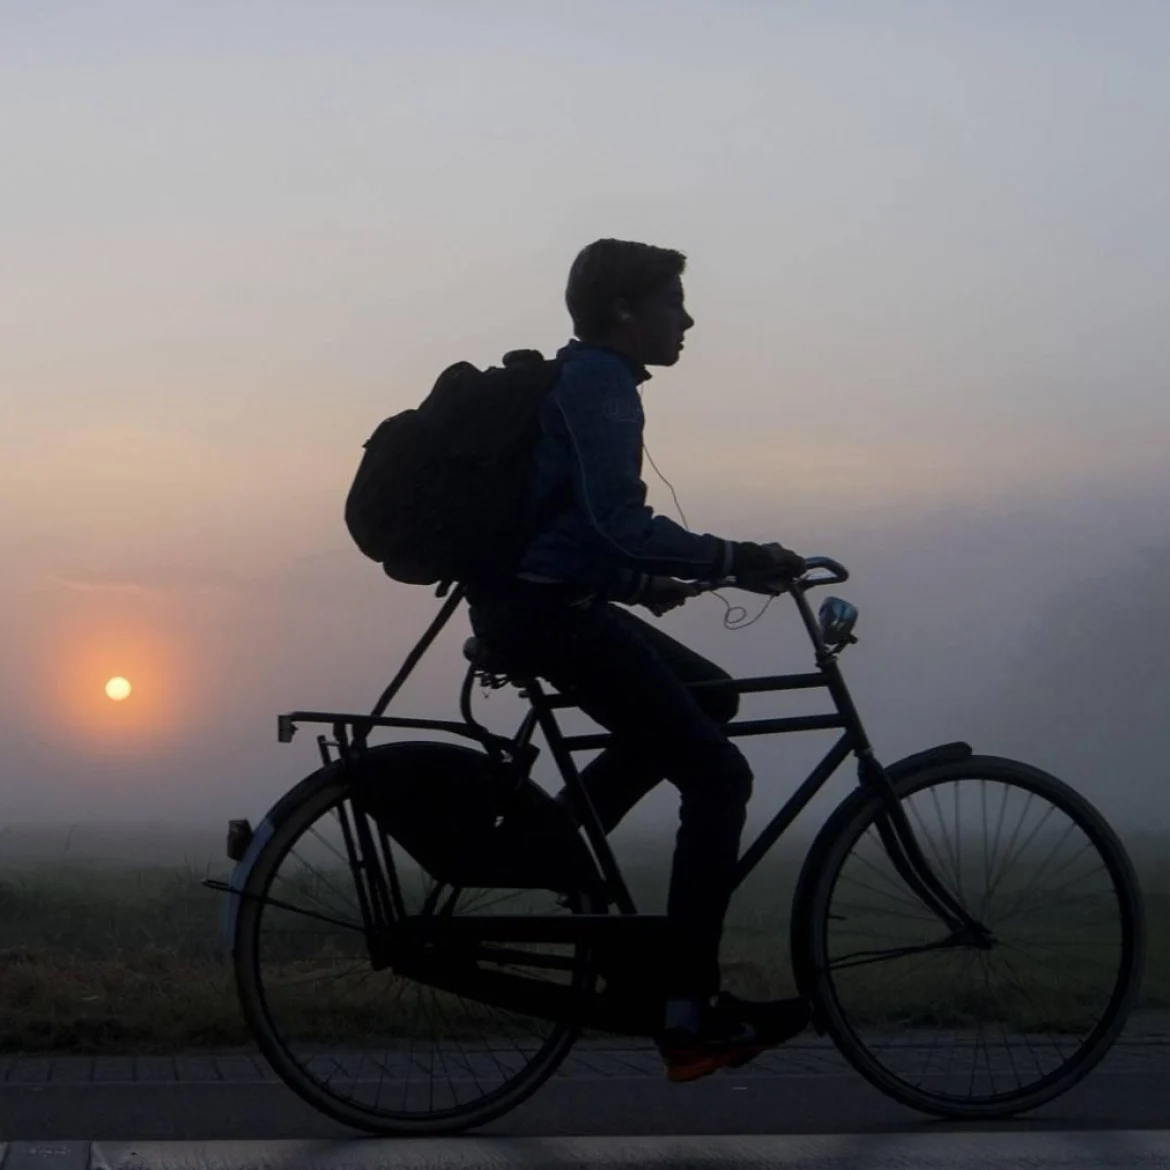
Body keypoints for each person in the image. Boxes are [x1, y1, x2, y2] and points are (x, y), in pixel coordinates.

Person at [465, 238, 809, 1083]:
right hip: (550, 615)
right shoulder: (601, 386)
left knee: (710, 698)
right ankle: (688, 1012)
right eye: (672, 301)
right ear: (624, 310)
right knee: (720, 778)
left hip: (543, 601)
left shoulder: (585, 379)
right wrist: (734, 557)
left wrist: (644, 581)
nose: (686, 318)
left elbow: (578, 528)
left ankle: (560, 847)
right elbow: (614, 520)